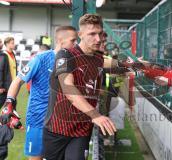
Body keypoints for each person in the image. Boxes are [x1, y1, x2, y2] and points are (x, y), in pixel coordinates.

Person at [43, 14, 117, 160]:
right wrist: (96, 115)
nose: (98, 39)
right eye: (92, 34)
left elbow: (118, 65)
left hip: (81, 131)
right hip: (57, 129)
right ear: (80, 34)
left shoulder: (99, 59)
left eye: (100, 34)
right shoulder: (65, 55)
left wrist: (142, 66)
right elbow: (68, 88)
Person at [5, 26, 78, 160]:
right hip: (39, 120)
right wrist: (9, 102)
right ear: (61, 40)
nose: (76, 44)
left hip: (62, 122)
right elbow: (17, 81)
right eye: (73, 40)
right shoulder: (41, 59)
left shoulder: (73, 61)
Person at [0, 39, 11, 107]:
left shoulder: (4, 55)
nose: (2, 44)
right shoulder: (3, 56)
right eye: (0, 42)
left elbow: (6, 72)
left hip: (4, 87)